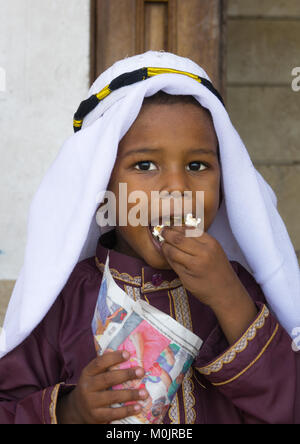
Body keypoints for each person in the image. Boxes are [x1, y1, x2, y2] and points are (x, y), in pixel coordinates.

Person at [0, 51, 300, 424]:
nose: (176, 188)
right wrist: (71, 410)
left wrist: (229, 300)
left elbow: (291, 406)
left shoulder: (239, 288)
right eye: (145, 165)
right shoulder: (66, 302)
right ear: (101, 186)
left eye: (197, 166)